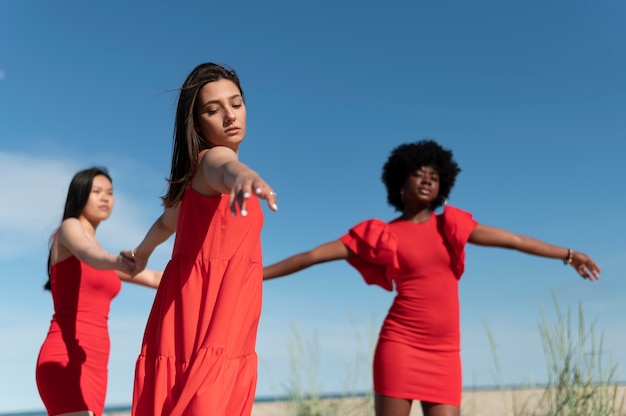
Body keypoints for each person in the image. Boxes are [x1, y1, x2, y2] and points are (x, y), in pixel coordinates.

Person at [263, 139, 600, 416]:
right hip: (400, 345)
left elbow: (514, 241)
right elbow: (312, 256)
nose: (426, 180)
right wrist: (257, 275)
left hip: (445, 353)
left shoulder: (450, 226)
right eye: (418, 174)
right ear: (400, 184)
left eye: (433, 176)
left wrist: (568, 255)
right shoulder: (381, 234)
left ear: (442, 186)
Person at [123, 62, 278, 416]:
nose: (229, 116)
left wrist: (142, 252)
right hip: (203, 324)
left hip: (218, 324)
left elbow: (166, 223)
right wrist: (244, 175)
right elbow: (226, 166)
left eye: (236, 104)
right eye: (213, 109)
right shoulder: (211, 162)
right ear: (196, 123)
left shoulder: (192, 183)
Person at [36, 167, 162, 416]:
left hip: (96, 364)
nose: (105, 198)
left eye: (110, 192)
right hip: (65, 355)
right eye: (97, 192)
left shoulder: (103, 255)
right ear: (80, 195)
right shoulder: (69, 229)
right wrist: (116, 261)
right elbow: (86, 253)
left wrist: (245, 273)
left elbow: (156, 277)